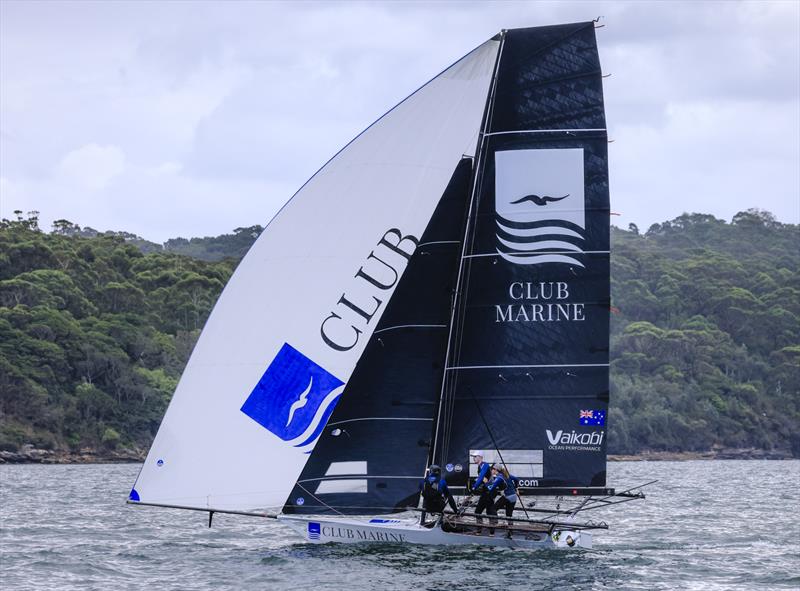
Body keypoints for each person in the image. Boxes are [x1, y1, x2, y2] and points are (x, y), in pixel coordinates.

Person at [486, 463, 520, 538]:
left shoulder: (499, 478)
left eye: (492, 469)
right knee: (509, 515)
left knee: (493, 509)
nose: (491, 471)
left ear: (495, 470)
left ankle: (494, 524)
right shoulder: (507, 475)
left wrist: (486, 482)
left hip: (507, 497)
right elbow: (517, 479)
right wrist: (516, 489)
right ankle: (510, 532)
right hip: (514, 497)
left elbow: (491, 487)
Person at [466, 451, 496, 534]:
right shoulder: (480, 466)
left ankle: (481, 531)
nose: (474, 458)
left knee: (479, 511)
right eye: (473, 457)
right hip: (487, 491)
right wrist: (474, 485)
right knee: (488, 512)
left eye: (475, 456)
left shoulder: (484, 465)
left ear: (480, 457)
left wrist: (474, 487)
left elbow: (481, 477)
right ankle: (491, 532)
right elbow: (481, 478)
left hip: (489, 492)